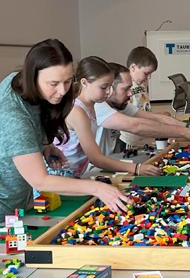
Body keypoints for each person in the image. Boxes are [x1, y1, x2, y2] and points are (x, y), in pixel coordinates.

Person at [0, 39, 128, 217]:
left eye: (67, 81)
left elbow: (34, 123)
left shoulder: (20, 80)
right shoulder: (14, 117)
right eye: (54, 84)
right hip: (4, 206)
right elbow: (40, 181)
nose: (62, 91)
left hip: (22, 200)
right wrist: (97, 188)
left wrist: (45, 145)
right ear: (33, 76)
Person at [55, 56, 160, 177]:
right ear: (84, 83)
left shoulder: (92, 106)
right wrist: (137, 168)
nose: (109, 92)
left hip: (75, 174)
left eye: (110, 87)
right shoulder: (78, 112)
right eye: (104, 87)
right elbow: (96, 158)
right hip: (61, 176)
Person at [94, 63, 190, 157]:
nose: (130, 93)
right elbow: (137, 126)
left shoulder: (121, 104)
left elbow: (156, 118)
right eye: (125, 89)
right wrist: (186, 132)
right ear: (109, 89)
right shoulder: (99, 105)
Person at [119, 46, 159, 149]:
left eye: (150, 74)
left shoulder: (141, 83)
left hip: (142, 135)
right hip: (129, 140)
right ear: (133, 67)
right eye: (146, 73)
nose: (149, 77)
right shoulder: (125, 87)